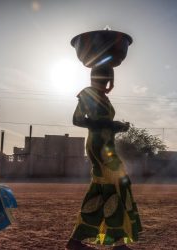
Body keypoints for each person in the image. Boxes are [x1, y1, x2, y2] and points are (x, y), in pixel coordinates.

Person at [66, 65, 142, 250]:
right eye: (106, 78)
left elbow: (103, 123)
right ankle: (118, 243)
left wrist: (118, 127)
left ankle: (76, 241)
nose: (108, 82)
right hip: (99, 146)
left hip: (106, 144)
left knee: (101, 192)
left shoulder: (102, 97)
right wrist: (109, 123)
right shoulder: (88, 93)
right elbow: (77, 119)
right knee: (116, 187)